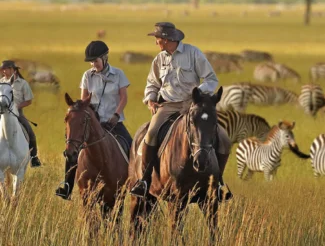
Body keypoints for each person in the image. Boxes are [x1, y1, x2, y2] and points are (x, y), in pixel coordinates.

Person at [130, 22, 233, 200]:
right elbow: (152, 84)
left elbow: (211, 78)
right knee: (151, 134)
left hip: (192, 104)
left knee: (223, 139)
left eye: (158, 38)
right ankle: (145, 181)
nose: (156, 43)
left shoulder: (193, 53)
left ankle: (218, 183)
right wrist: (151, 99)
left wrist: (199, 94)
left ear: (168, 39)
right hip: (168, 105)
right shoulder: (159, 59)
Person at [55, 40, 132, 200]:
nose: (93, 64)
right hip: (93, 123)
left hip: (114, 123)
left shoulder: (118, 74)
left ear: (105, 58)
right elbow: (84, 100)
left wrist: (116, 115)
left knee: (131, 147)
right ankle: (67, 186)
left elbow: (123, 98)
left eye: (95, 61)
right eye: (91, 61)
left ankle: (136, 183)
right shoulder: (87, 76)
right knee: (73, 151)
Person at [0, 60, 42, 167]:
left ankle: (34, 158)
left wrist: (16, 107)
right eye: (3, 69)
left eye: (6, 69)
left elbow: (29, 100)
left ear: (13, 70)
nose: (4, 71)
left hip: (17, 113)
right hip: (2, 112)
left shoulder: (23, 83)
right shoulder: (2, 81)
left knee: (31, 134)